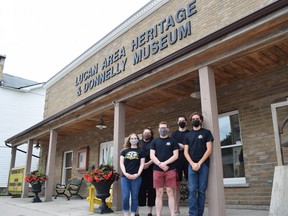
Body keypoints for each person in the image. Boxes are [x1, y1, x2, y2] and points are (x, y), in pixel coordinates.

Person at [183, 112, 213, 216]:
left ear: (201, 120)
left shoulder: (206, 133)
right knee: (192, 190)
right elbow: (185, 152)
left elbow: (209, 150)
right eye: (194, 118)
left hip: (203, 165)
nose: (196, 120)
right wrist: (192, 164)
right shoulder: (188, 135)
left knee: (201, 191)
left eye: (197, 118)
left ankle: (200, 214)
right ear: (191, 121)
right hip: (191, 166)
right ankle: (192, 214)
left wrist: (199, 163)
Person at [150, 121, 179, 216]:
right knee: (159, 193)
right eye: (161, 128)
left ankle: (172, 214)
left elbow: (176, 155)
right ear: (158, 129)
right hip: (157, 170)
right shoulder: (154, 141)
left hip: (170, 169)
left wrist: (165, 163)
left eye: (164, 128)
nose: (163, 129)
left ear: (168, 129)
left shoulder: (173, 141)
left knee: (171, 192)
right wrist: (160, 164)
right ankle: (158, 214)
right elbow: (152, 155)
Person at [120, 133, 146, 216]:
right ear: (129, 140)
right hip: (125, 177)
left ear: (138, 140)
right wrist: (125, 173)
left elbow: (142, 164)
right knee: (125, 197)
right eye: (132, 138)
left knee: (135, 197)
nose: (133, 140)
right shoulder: (124, 151)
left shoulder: (141, 151)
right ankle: (126, 214)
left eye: (135, 138)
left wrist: (138, 174)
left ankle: (133, 213)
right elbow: (121, 163)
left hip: (136, 178)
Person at [171, 116, 189, 216]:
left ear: (186, 122)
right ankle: (176, 210)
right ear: (177, 122)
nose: (181, 122)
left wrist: (181, 146)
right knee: (176, 186)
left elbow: (191, 146)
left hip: (188, 161)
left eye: (183, 121)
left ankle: (193, 210)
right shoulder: (174, 134)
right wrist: (183, 146)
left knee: (191, 185)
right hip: (176, 162)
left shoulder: (189, 133)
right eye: (180, 121)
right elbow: (172, 147)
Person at [136, 128, 156, 216]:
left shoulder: (154, 142)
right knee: (139, 190)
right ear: (142, 134)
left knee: (151, 191)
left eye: (148, 133)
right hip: (140, 170)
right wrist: (142, 165)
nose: (146, 134)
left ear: (151, 134)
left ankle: (149, 212)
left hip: (151, 169)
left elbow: (157, 154)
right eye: (145, 133)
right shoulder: (138, 143)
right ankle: (136, 212)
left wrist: (148, 163)